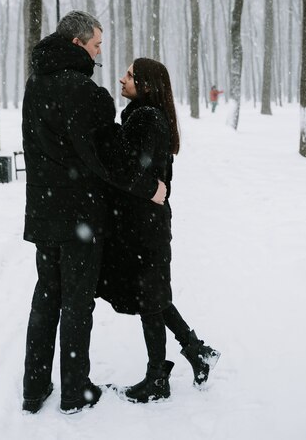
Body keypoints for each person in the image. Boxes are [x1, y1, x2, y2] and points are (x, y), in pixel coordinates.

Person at [21, 11, 166, 415]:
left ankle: (34, 388)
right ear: (77, 43)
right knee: (77, 302)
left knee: (46, 298)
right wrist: (149, 187)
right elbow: (109, 159)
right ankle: (74, 391)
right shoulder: (85, 92)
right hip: (80, 218)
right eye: (97, 44)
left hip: (44, 212)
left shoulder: (35, 85)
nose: (100, 52)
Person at [97, 58, 220, 403]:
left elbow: (133, 170)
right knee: (153, 295)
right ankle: (196, 352)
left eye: (130, 75)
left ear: (146, 85)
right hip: (142, 223)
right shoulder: (142, 115)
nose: (122, 79)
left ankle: (157, 379)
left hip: (144, 226)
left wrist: (148, 187)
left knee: (150, 299)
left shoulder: (146, 118)